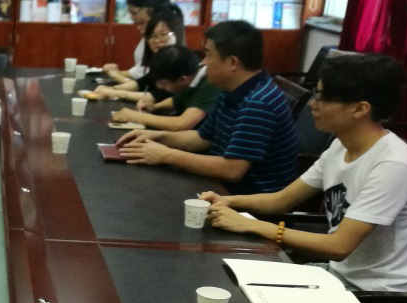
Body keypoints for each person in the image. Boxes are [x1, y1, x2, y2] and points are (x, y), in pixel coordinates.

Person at [201, 54, 407, 303]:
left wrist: (252, 225)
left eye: (322, 97)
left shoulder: (393, 165)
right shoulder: (341, 146)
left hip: (379, 302)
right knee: (233, 286)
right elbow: (281, 200)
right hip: (336, 279)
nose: (312, 104)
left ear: (360, 109)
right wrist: (228, 201)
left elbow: (339, 247)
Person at [117, 20, 298, 194]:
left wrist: (166, 155)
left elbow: (232, 170)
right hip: (218, 186)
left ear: (232, 63)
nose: (203, 62)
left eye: (208, 55)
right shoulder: (231, 90)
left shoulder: (259, 102)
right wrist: (158, 137)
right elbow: (203, 138)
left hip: (243, 201)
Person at [83, 5, 184, 102]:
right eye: (153, 36)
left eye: (163, 34)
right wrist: (112, 89)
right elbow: (141, 83)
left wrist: (114, 92)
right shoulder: (159, 60)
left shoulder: (179, 61)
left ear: (176, 34)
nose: (157, 40)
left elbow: (157, 96)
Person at [109, 46, 218, 131]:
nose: (161, 87)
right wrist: (154, 107)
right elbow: (176, 100)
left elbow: (182, 123)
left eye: (164, 83)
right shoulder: (194, 74)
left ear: (182, 79)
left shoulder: (210, 82)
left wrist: (135, 116)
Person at [100, 0, 171, 83]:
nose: (132, 17)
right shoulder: (149, 34)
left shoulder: (166, 38)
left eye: (134, 13)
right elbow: (142, 71)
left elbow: (146, 76)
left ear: (149, 10)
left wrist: (116, 74)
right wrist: (116, 73)